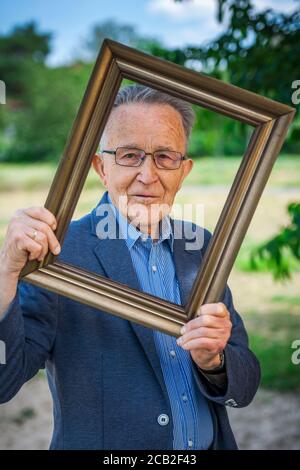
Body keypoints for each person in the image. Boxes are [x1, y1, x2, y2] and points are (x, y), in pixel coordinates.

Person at [0, 85, 260, 450]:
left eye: (165, 157)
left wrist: (215, 362)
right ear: (100, 167)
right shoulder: (57, 254)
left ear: (183, 171)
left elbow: (244, 387)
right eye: (129, 155)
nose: (148, 175)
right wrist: (5, 274)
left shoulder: (200, 246)